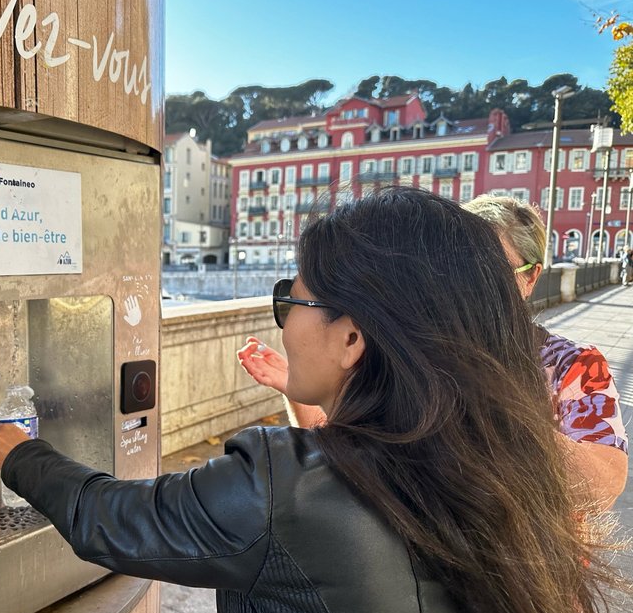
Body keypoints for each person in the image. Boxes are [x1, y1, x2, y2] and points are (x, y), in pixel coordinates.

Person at [0, 188, 621, 613]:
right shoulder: (494, 460)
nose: (283, 320)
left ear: (352, 337)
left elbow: (110, 520)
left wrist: (18, 451)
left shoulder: (285, 485)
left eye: (294, 296)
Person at [240, 194, 628, 511]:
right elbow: (340, 455)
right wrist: (302, 385)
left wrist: (478, 404)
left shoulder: (573, 365)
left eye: (489, 272)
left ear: (530, 277)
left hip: (524, 585)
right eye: (452, 269)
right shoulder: (400, 344)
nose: (464, 287)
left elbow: (603, 486)